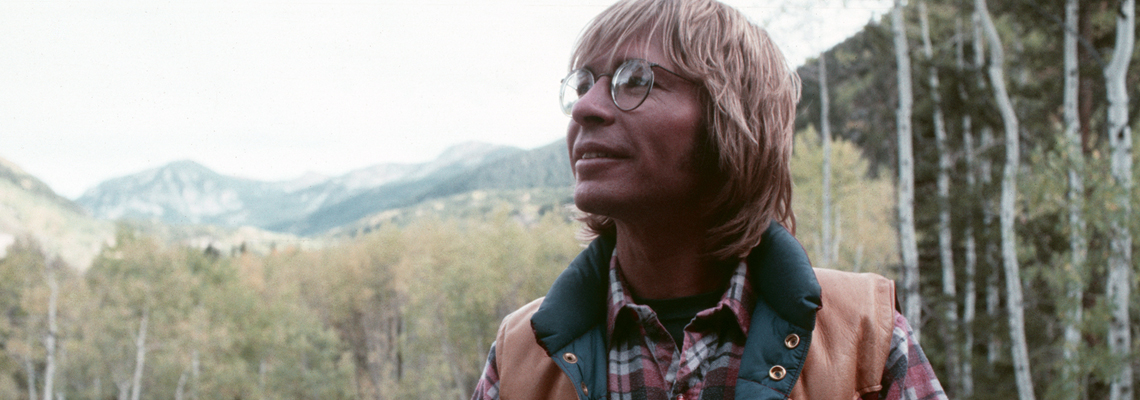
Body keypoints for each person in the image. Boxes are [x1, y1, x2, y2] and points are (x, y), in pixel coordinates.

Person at [472, 0, 948, 399]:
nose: (585, 107)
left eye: (634, 80)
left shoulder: (865, 339)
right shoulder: (519, 356)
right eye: (583, 84)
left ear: (731, 119)